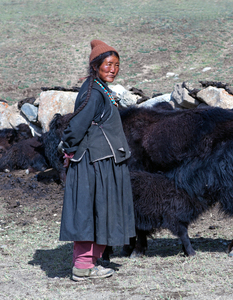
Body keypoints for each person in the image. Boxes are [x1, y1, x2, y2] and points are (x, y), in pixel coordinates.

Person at [58, 40, 136, 282]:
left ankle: (94, 260)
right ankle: (83, 266)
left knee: (100, 209)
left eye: (116, 65)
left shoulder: (100, 88)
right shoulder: (92, 92)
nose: (113, 69)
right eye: (108, 64)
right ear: (95, 66)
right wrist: (70, 151)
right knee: (89, 209)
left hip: (102, 160)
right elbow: (76, 126)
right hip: (93, 163)